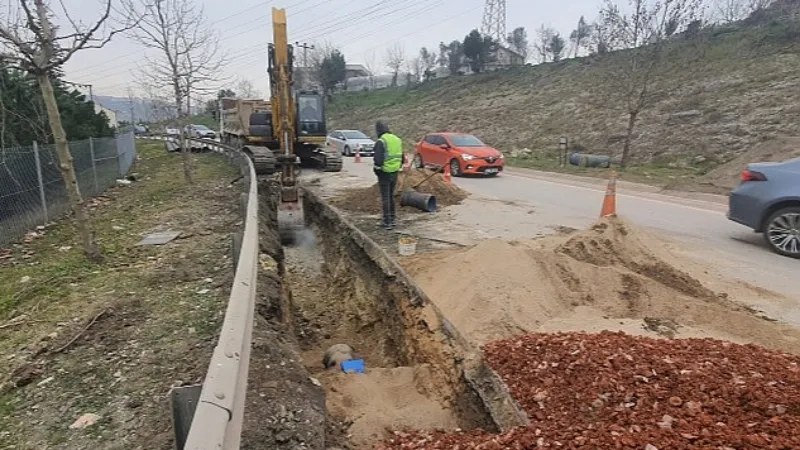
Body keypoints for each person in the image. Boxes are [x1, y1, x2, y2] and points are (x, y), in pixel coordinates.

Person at [372, 120, 404, 230]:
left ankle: (387, 222)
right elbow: (402, 157)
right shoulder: (397, 140)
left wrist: (377, 170)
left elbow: (378, 160)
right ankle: (393, 219)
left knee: (385, 197)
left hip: (384, 173)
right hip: (394, 172)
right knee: (391, 196)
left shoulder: (381, 141)